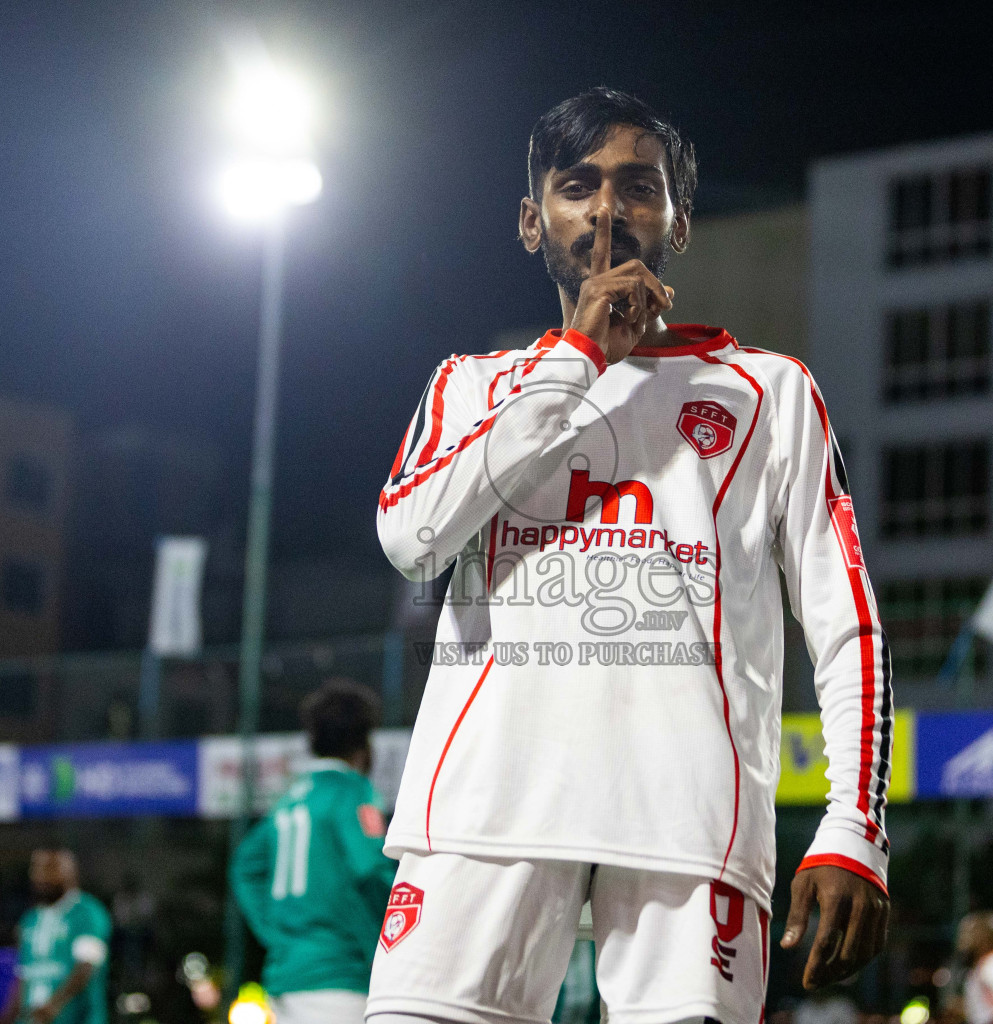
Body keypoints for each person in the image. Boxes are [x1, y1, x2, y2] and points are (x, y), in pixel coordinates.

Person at [370, 87, 892, 1024]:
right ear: (533, 221)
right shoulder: (471, 386)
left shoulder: (770, 393)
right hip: (481, 813)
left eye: (639, 188)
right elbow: (412, 538)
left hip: (687, 826)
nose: (608, 210)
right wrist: (576, 360)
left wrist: (854, 826)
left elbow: (847, 623)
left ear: (678, 221)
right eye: (577, 187)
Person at [231, 682, 398, 1024]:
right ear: (364, 742)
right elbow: (372, 870)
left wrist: (279, 933)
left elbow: (246, 866)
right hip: (338, 975)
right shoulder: (353, 791)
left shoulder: (291, 798)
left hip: (286, 972)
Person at [1, 849, 110, 1024]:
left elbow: (87, 965)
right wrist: (7, 1018)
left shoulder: (87, 912)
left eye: (51, 869)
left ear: (70, 871)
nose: (42, 876)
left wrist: (53, 1006)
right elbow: (23, 974)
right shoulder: (29, 920)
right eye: (37, 869)